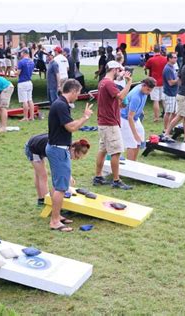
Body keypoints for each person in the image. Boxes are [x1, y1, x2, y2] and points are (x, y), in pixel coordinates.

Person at [46, 79, 93, 232]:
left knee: (59, 185)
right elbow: (71, 127)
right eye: (78, 93)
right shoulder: (61, 105)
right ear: (72, 91)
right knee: (61, 187)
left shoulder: (61, 104)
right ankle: (54, 221)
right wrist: (85, 117)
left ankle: (57, 215)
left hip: (59, 148)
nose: (78, 96)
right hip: (58, 150)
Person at [93, 61, 133, 190]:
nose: (119, 73)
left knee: (103, 150)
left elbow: (113, 100)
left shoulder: (103, 82)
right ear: (114, 69)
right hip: (110, 123)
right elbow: (121, 96)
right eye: (119, 70)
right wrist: (129, 83)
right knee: (116, 152)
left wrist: (119, 105)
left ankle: (98, 176)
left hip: (103, 121)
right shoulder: (109, 83)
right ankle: (116, 180)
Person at [25, 133, 91, 206]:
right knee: (43, 176)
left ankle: (41, 199)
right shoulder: (60, 150)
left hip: (41, 145)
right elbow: (57, 169)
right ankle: (46, 202)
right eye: (76, 156)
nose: (75, 159)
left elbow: (64, 167)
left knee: (39, 174)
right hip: (33, 147)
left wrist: (69, 177)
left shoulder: (66, 148)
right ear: (73, 149)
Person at [120, 77, 156, 161]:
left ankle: (133, 163)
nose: (148, 92)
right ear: (143, 85)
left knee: (139, 139)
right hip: (125, 119)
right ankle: (130, 165)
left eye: (150, 90)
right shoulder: (136, 96)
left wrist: (140, 111)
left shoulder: (143, 89)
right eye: (148, 90)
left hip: (135, 118)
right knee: (132, 142)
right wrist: (135, 135)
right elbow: (130, 117)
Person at [144, 44, 167, 122]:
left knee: (156, 100)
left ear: (153, 50)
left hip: (154, 82)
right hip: (164, 81)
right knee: (164, 100)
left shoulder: (151, 60)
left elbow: (145, 67)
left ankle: (156, 117)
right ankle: (167, 116)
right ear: (160, 50)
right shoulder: (165, 59)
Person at [16, 48, 35, 121]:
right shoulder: (32, 62)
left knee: (24, 100)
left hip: (22, 82)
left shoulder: (21, 62)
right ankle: (32, 117)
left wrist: (14, 72)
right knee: (30, 99)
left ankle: (25, 117)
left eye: (21, 53)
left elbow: (18, 73)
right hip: (29, 82)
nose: (20, 54)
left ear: (24, 53)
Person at [162, 53, 179, 132]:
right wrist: (179, 80)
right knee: (168, 112)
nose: (176, 59)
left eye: (176, 57)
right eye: (174, 57)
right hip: (169, 93)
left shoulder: (172, 67)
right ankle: (166, 129)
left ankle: (170, 127)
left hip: (174, 93)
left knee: (174, 112)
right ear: (169, 58)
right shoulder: (168, 69)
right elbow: (170, 83)